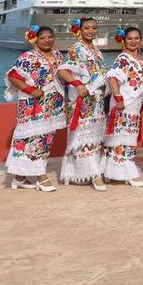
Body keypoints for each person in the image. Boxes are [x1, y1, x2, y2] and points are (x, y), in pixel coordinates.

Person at [4, 25, 67, 191]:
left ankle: (19, 177)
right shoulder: (28, 57)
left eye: (50, 37)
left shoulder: (58, 55)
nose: (47, 40)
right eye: (43, 38)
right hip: (33, 106)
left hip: (53, 105)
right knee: (34, 140)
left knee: (46, 139)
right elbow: (13, 77)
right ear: (35, 39)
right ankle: (40, 176)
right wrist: (31, 90)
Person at [57, 17, 109, 190]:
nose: (91, 31)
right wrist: (78, 84)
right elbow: (63, 70)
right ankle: (94, 174)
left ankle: (79, 173)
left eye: (94, 28)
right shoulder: (77, 49)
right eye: (87, 28)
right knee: (81, 136)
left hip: (97, 99)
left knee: (93, 136)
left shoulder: (96, 50)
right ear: (79, 29)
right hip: (82, 99)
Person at [102, 27, 143, 188]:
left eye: (137, 38)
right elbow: (112, 78)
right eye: (130, 39)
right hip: (124, 103)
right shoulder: (123, 58)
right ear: (124, 40)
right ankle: (127, 172)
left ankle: (114, 173)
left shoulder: (139, 57)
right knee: (121, 135)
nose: (134, 41)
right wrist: (118, 98)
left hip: (134, 104)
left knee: (128, 135)